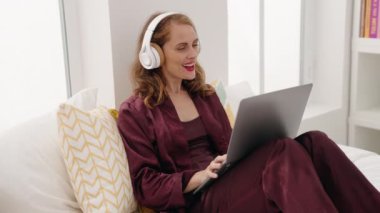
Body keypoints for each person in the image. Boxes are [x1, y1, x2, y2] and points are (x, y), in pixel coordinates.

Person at [117, 12, 380, 213]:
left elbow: (232, 147)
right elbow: (144, 185)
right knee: (283, 151)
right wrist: (196, 177)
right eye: (182, 47)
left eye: (195, 45)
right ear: (153, 54)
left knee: (315, 141)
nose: (192, 54)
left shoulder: (205, 95)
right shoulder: (136, 111)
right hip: (197, 201)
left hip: (227, 183)